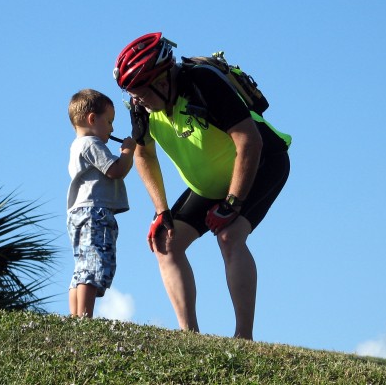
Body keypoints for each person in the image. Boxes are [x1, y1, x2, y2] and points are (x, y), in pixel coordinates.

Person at [113, 32, 291, 339]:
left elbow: (250, 141)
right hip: (209, 182)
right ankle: (190, 336)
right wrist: (160, 209)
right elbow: (143, 152)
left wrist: (233, 203)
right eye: (131, 92)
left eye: (141, 90)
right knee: (166, 243)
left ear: (163, 80)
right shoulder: (140, 106)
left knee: (229, 236)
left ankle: (243, 338)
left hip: (262, 163)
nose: (136, 98)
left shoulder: (203, 84)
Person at [66, 88, 136, 318]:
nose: (112, 129)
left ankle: (76, 316)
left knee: (81, 264)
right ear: (92, 119)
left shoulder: (77, 146)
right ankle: (85, 316)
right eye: (109, 121)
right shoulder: (91, 144)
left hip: (79, 213)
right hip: (94, 212)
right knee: (93, 262)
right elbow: (116, 171)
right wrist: (127, 152)